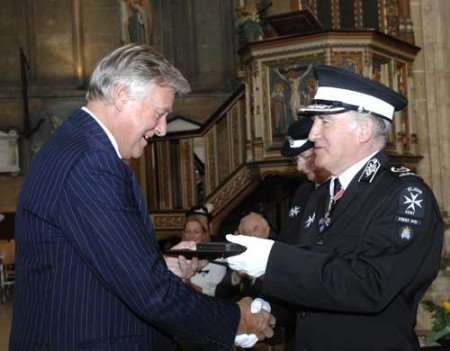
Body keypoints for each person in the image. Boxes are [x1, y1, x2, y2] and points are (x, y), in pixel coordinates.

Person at [10, 44, 275, 350]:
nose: (162, 130)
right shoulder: (91, 163)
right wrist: (235, 319)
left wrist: (160, 266)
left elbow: (91, 262)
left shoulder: (76, 145)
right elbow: (149, 293)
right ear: (121, 95)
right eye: (159, 114)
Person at [227, 65, 444, 350]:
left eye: (324, 121)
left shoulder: (403, 195)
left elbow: (369, 285)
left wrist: (273, 260)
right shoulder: (322, 195)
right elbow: (316, 280)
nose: (313, 133)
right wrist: (267, 312)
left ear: (364, 130)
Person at [278, 116, 330, 245]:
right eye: (296, 160)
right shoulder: (304, 191)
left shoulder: (338, 193)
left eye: (305, 157)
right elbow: (289, 240)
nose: (299, 167)